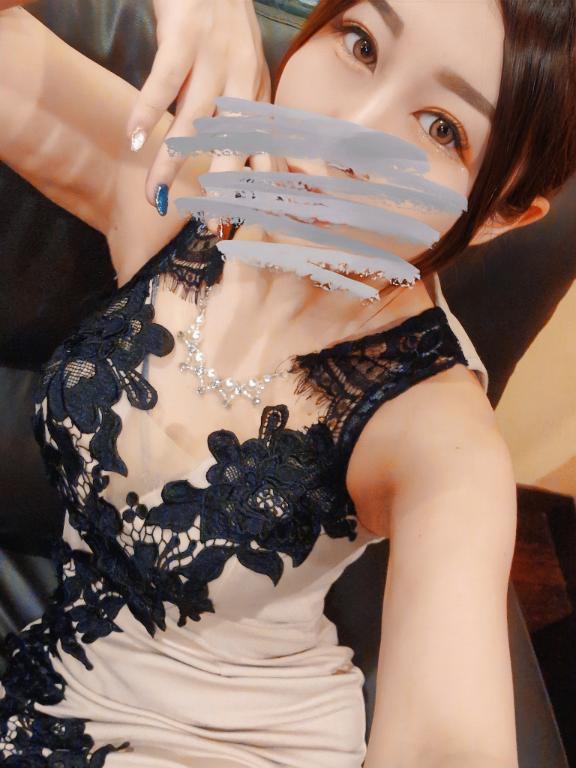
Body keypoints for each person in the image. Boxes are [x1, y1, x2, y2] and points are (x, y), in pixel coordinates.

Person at [0, 1, 574, 767]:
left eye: (442, 128)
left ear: (502, 214)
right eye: (360, 44)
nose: (346, 133)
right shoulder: (186, 186)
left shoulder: (434, 431)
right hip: (45, 688)